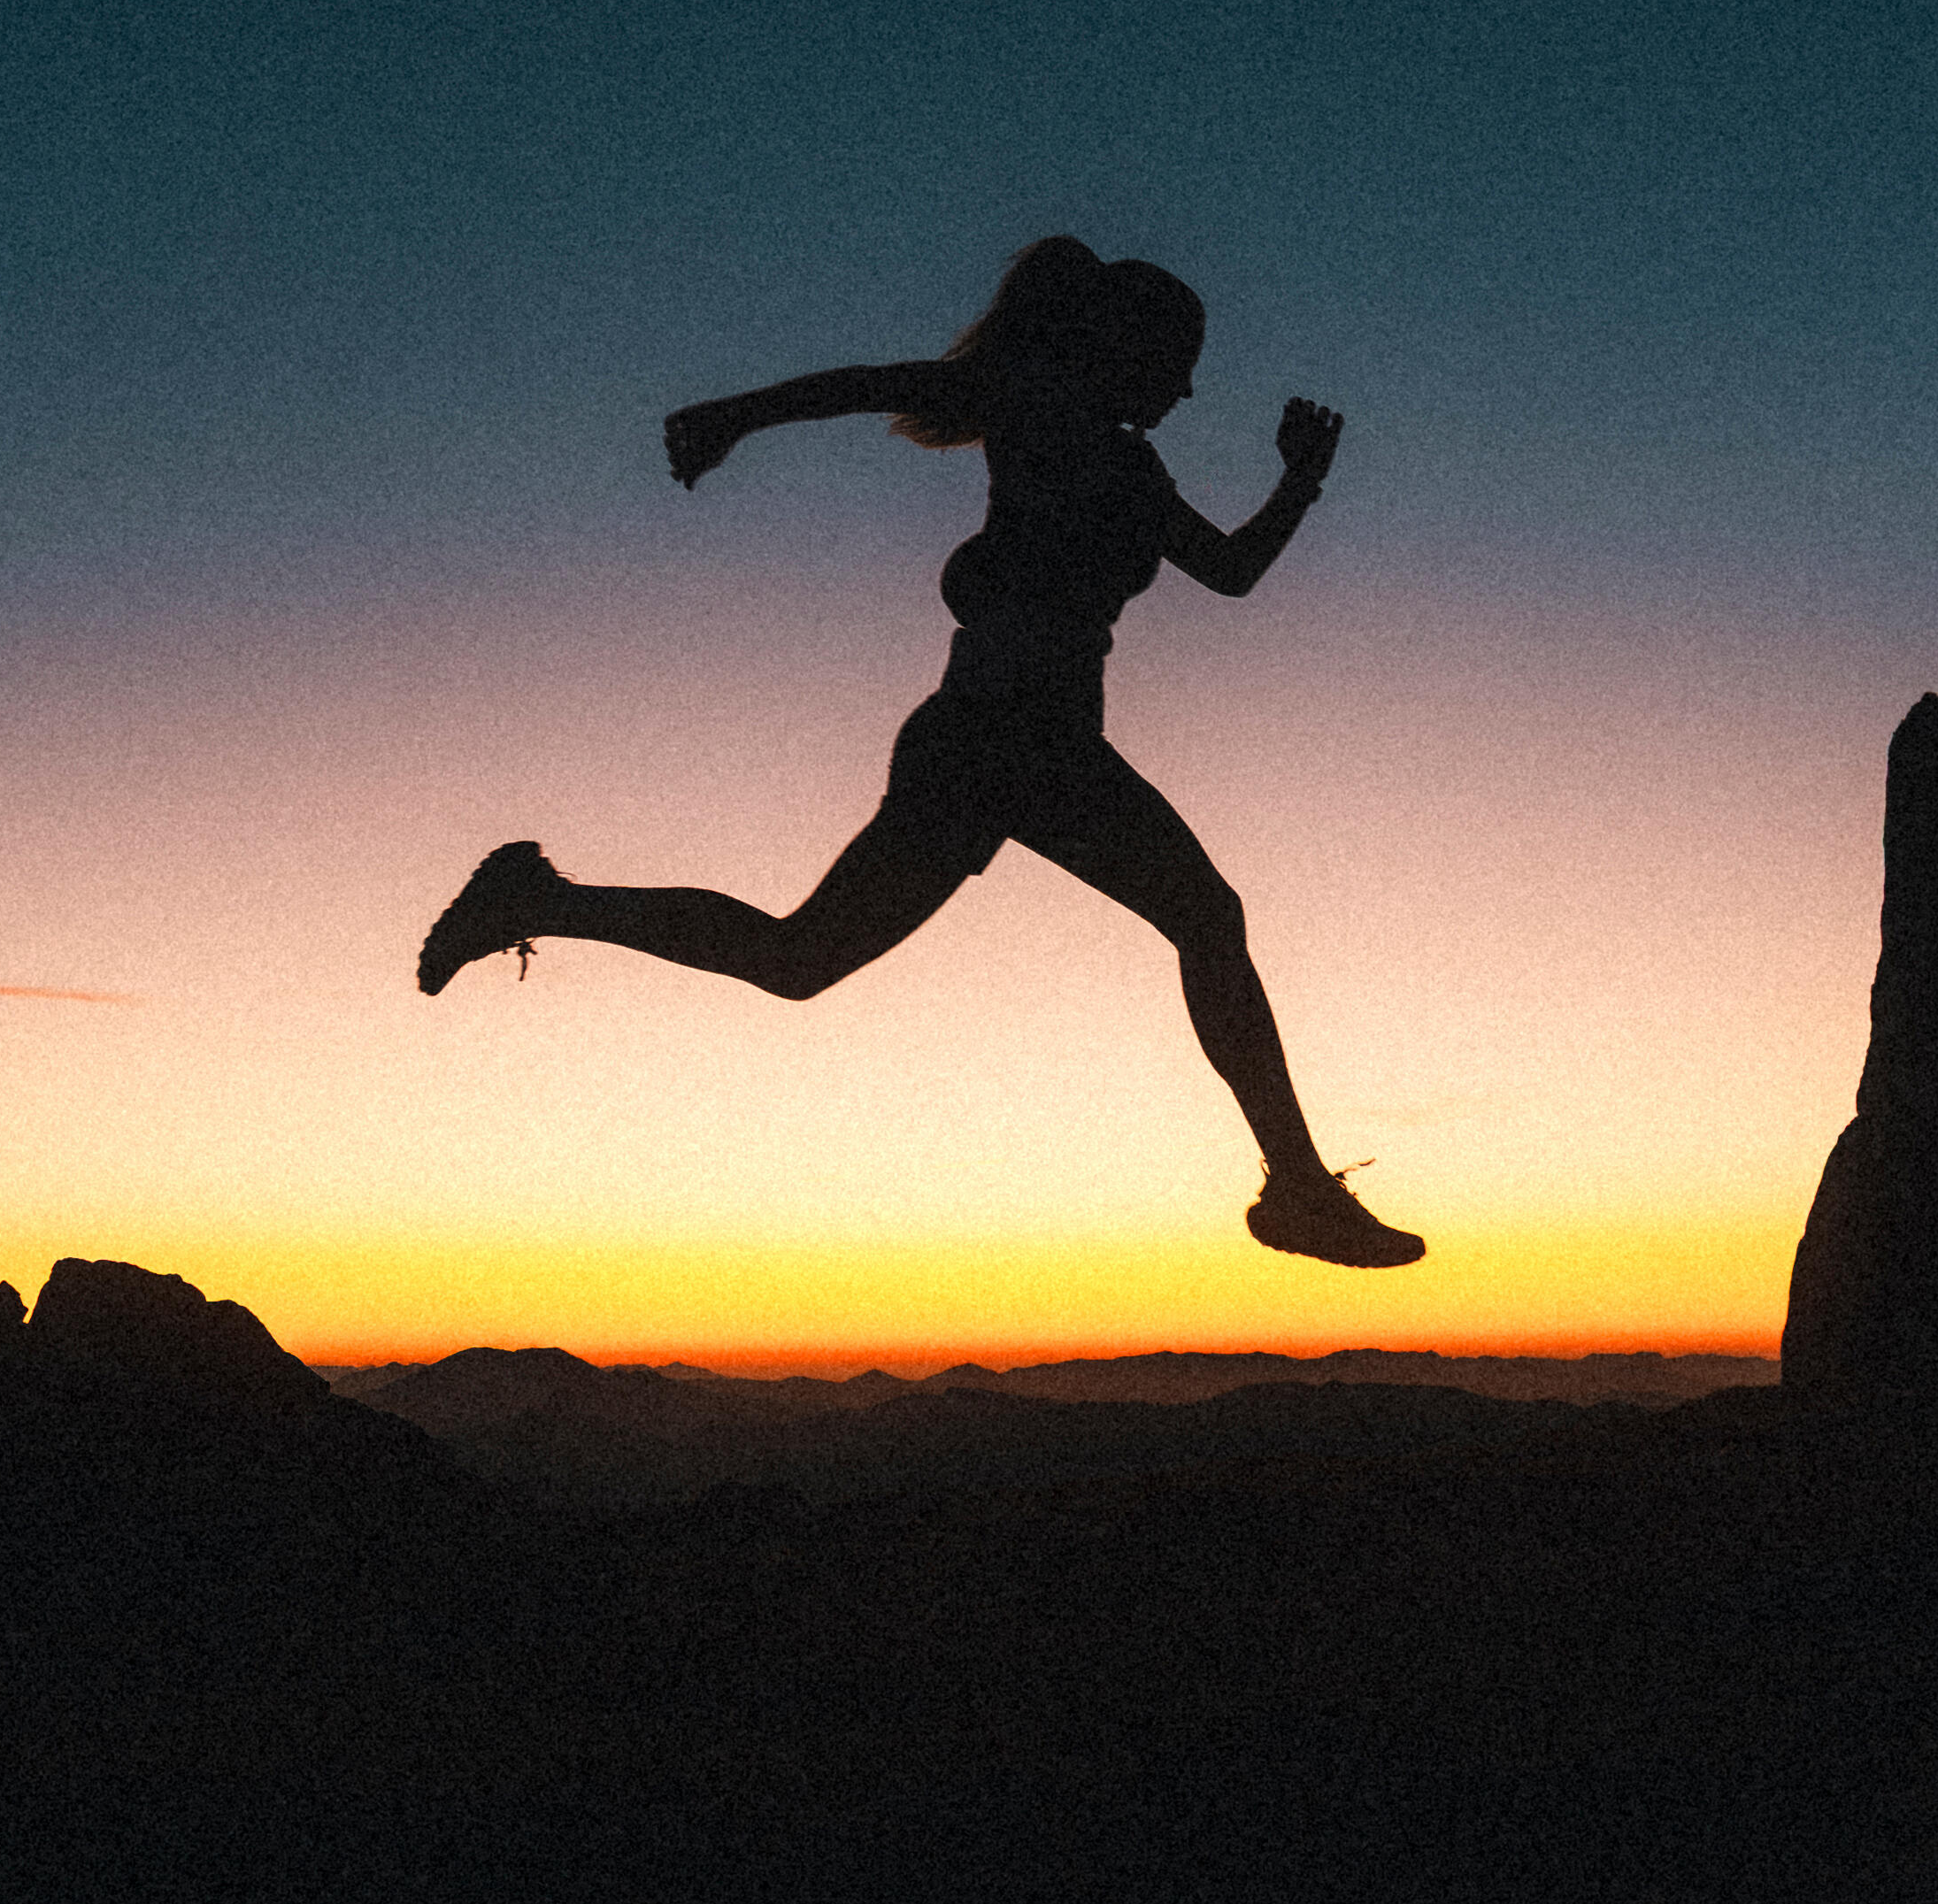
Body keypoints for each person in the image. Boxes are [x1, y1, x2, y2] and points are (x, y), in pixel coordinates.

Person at [412, 235, 1423, 1269]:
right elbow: (872, 384)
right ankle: (1296, 1188)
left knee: (800, 958)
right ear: (1123, 347)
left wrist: (1299, 481)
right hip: (999, 738)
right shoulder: (1036, 403)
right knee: (1199, 917)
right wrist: (732, 415)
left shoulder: (1131, 463)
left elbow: (1229, 571)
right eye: (1179, 361)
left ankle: (536, 899)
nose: (1191, 386)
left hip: (1028, 745)